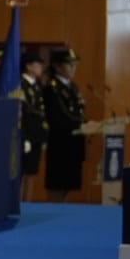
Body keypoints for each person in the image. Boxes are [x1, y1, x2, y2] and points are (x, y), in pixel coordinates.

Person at [43, 48, 88, 201]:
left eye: (75, 65)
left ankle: (63, 208)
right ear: (57, 66)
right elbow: (56, 116)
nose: (73, 69)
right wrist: (77, 124)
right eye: (69, 65)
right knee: (58, 183)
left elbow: (78, 112)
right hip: (60, 142)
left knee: (69, 183)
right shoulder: (52, 88)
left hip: (74, 141)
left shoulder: (73, 87)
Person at [15, 49, 48, 201]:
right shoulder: (19, 84)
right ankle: (19, 202)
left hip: (36, 134)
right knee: (21, 173)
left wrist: (43, 135)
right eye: (37, 64)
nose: (40, 68)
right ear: (28, 66)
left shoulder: (37, 86)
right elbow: (21, 112)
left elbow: (40, 112)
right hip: (25, 134)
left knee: (32, 173)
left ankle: (28, 202)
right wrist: (24, 135)